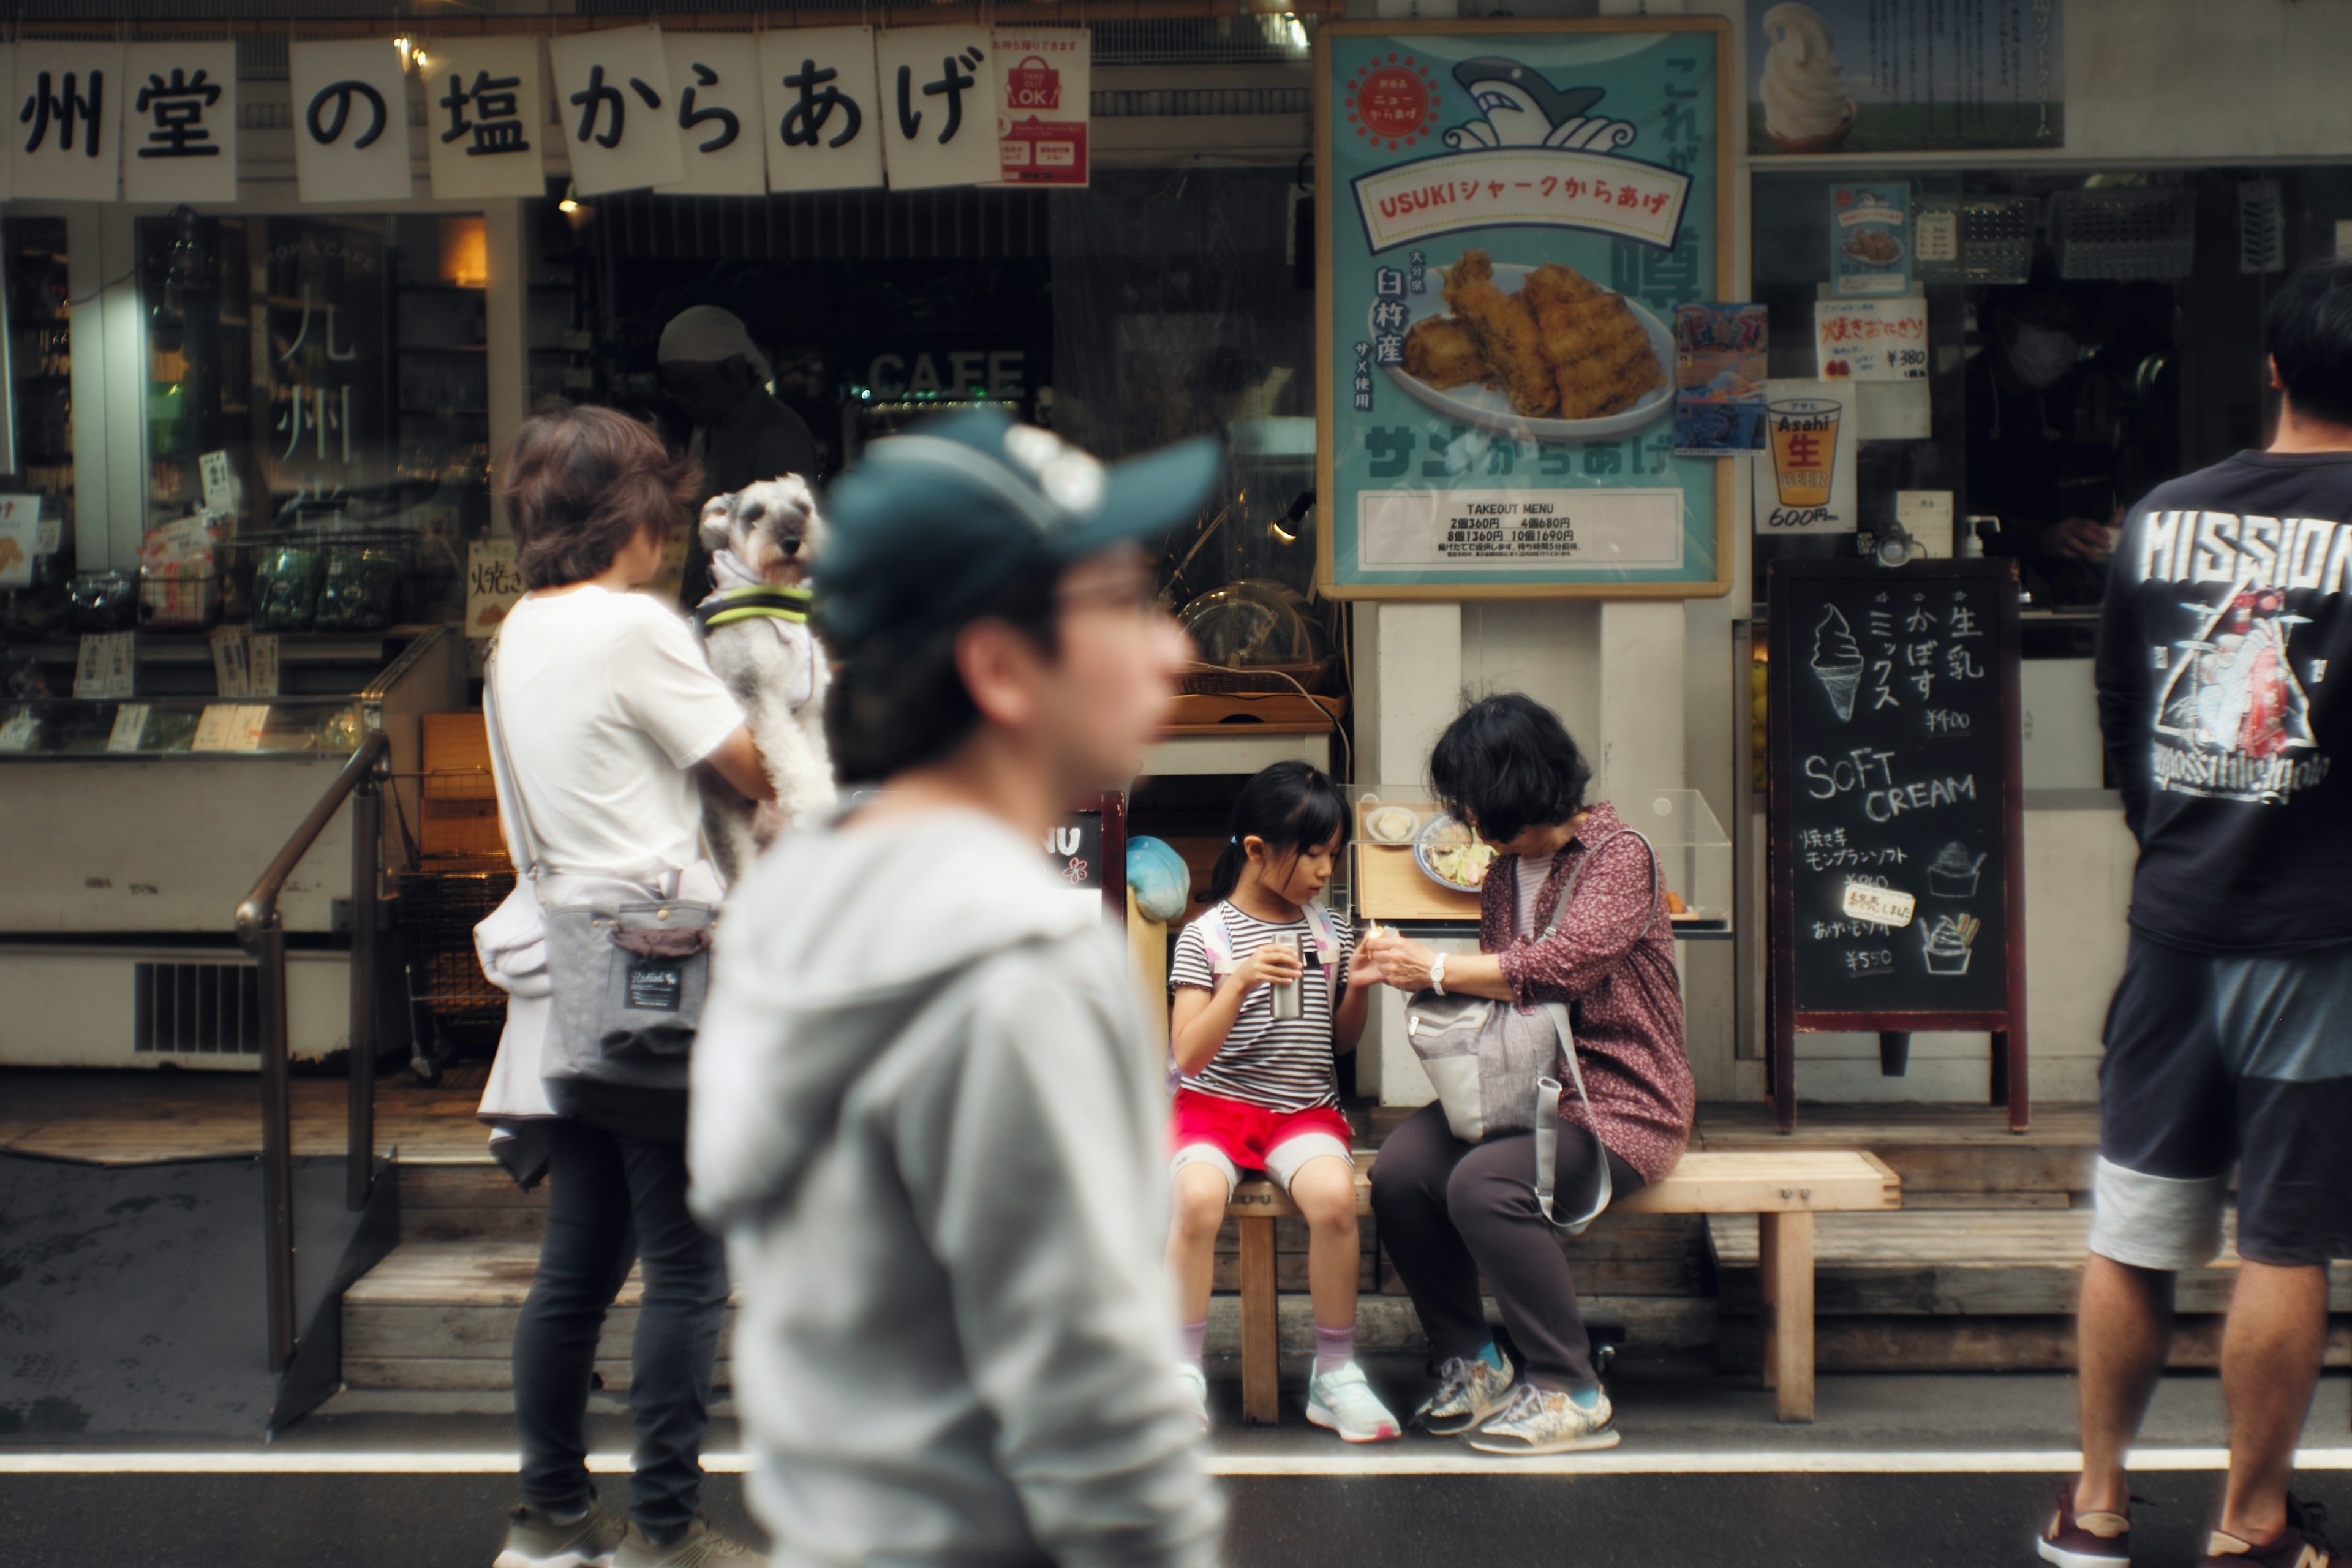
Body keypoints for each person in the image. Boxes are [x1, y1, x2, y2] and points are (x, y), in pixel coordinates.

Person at [687, 409, 1226, 1568]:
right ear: (998, 665)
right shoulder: (1013, 963)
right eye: (1120, 606)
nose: (1171, 650)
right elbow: (1098, 1417)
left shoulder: (798, 902)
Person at [2043, 260, 2352, 1568]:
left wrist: (2173, 837)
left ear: (2271, 369)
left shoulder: (2164, 518)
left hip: (2173, 921)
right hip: (2321, 932)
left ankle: (2098, 1504)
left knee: (2138, 1216)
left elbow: (2120, 711)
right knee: (2283, 1232)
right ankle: (2249, 1520)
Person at [485, 401, 775, 1568]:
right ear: (637, 514)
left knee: (580, 1263)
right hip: (657, 973)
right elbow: (755, 768)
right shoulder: (632, 627)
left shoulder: (521, 630)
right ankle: (666, 1530)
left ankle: (551, 1519)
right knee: (687, 1263)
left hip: (564, 974)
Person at [1360, 694, 1692, 1456]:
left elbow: (1558, 969)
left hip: (1617, 1096)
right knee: (1402, 1172)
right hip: (1522, 1082)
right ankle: (1472, 1359)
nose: (1465, 816)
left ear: (1515, 785)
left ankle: (1567, 1385)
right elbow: (1497, 989)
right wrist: (1411, 970)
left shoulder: (1620, 854)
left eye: (1472, 797)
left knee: (1486, 1183)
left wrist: (1435, 966)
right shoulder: (1504, 872)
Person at [1164, 761, 1400, 1442]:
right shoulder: (1205, 937)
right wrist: (1235, 983)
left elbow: (1338, 1042)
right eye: (1313, 854)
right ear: (1258, 850)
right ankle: (1178, 1372)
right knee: (1198, 1200)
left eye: (1334, 854)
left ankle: (1336, 1373)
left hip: (1301, 1109)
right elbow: (1186, 1056)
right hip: (1214, 1107)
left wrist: (1355, 987)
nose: (1326, 870)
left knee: (1334, 1199)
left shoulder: (1328, 932)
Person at [658, 305, 823, 608]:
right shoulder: (707, 428)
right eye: (676, 389)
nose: (684, 400)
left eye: (693, 387)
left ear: (735, 368)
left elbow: (788, 552)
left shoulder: (777, 436)